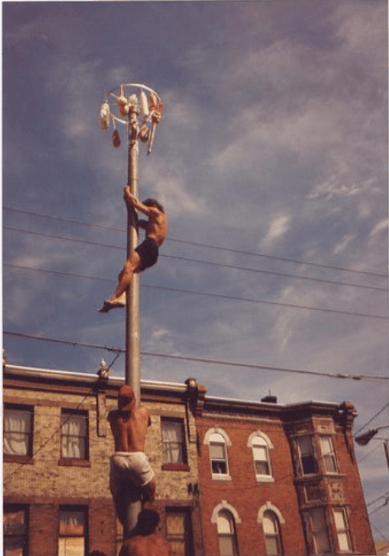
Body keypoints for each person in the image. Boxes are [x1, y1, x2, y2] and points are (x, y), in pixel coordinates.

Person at [99, 187, 167, 313]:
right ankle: (122, 296)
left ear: (152, 206)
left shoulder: (155, 212)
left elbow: (136, 204)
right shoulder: (159, 222)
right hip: (154, 253)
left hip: (149, 245)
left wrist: (127, 192)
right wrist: (129, 205)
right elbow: (139, 222)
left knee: (128, 267)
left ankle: (115, 297)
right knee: (124, 274)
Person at [108, 385, 157, 528]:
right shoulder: (144, 411)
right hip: (137, 459)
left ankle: (125, 524)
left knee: (116, 497)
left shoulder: (112, 416)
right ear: (133, 400)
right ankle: (145, 509)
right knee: (152, 487)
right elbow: (147, 423)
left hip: (118, 459)